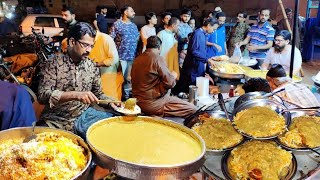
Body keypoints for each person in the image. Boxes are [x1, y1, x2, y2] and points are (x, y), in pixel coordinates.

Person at [38, 22, 121, 139]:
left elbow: (98, 94)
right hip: (57, 118)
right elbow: (42, 96)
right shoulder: (53, 63)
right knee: (43, 144)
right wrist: (75, 95)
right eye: (85, 45)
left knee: (115, 126)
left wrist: (110, 102)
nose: (89, 50)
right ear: (72, 42)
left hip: (84, 116)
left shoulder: (91, 65)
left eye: (91, 46)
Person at [131, 36, 197, 118]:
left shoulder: (137, 60)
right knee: (193, 109)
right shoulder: (157, 59)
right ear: (159, 47)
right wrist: (173, 75)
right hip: (154, 103)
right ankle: (156, 115)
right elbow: (170, 83)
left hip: (137, 102)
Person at [173, 18, 219, 94]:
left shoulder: (203, 34)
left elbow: (202, 50)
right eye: (213, 29)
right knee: (188, 89)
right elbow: (194, 51)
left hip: (198, 66)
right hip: (192, 67)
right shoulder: (197, 34)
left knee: (195, 89)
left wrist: (210, 58)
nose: (213, 31)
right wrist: (207, 59)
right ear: (208, 25)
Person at [110, 5, 139, 97]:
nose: (134, 13)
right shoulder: (117, 24)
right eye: (132, 11)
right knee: (119, 78)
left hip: (131, 57)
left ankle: (126, 99)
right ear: (125, 12)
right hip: (120, 57)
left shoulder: (134, 26)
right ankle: (116, 98)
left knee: (129, 79)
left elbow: (137, 39)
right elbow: (110, 39)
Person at [89, 31, 124, 100]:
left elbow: (113, 59)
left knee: (111, 98)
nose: (118, 43)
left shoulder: (105, 39)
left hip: (109, 74)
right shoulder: (96, 40)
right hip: (99, 75)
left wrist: (96, 64)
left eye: (119, 41)